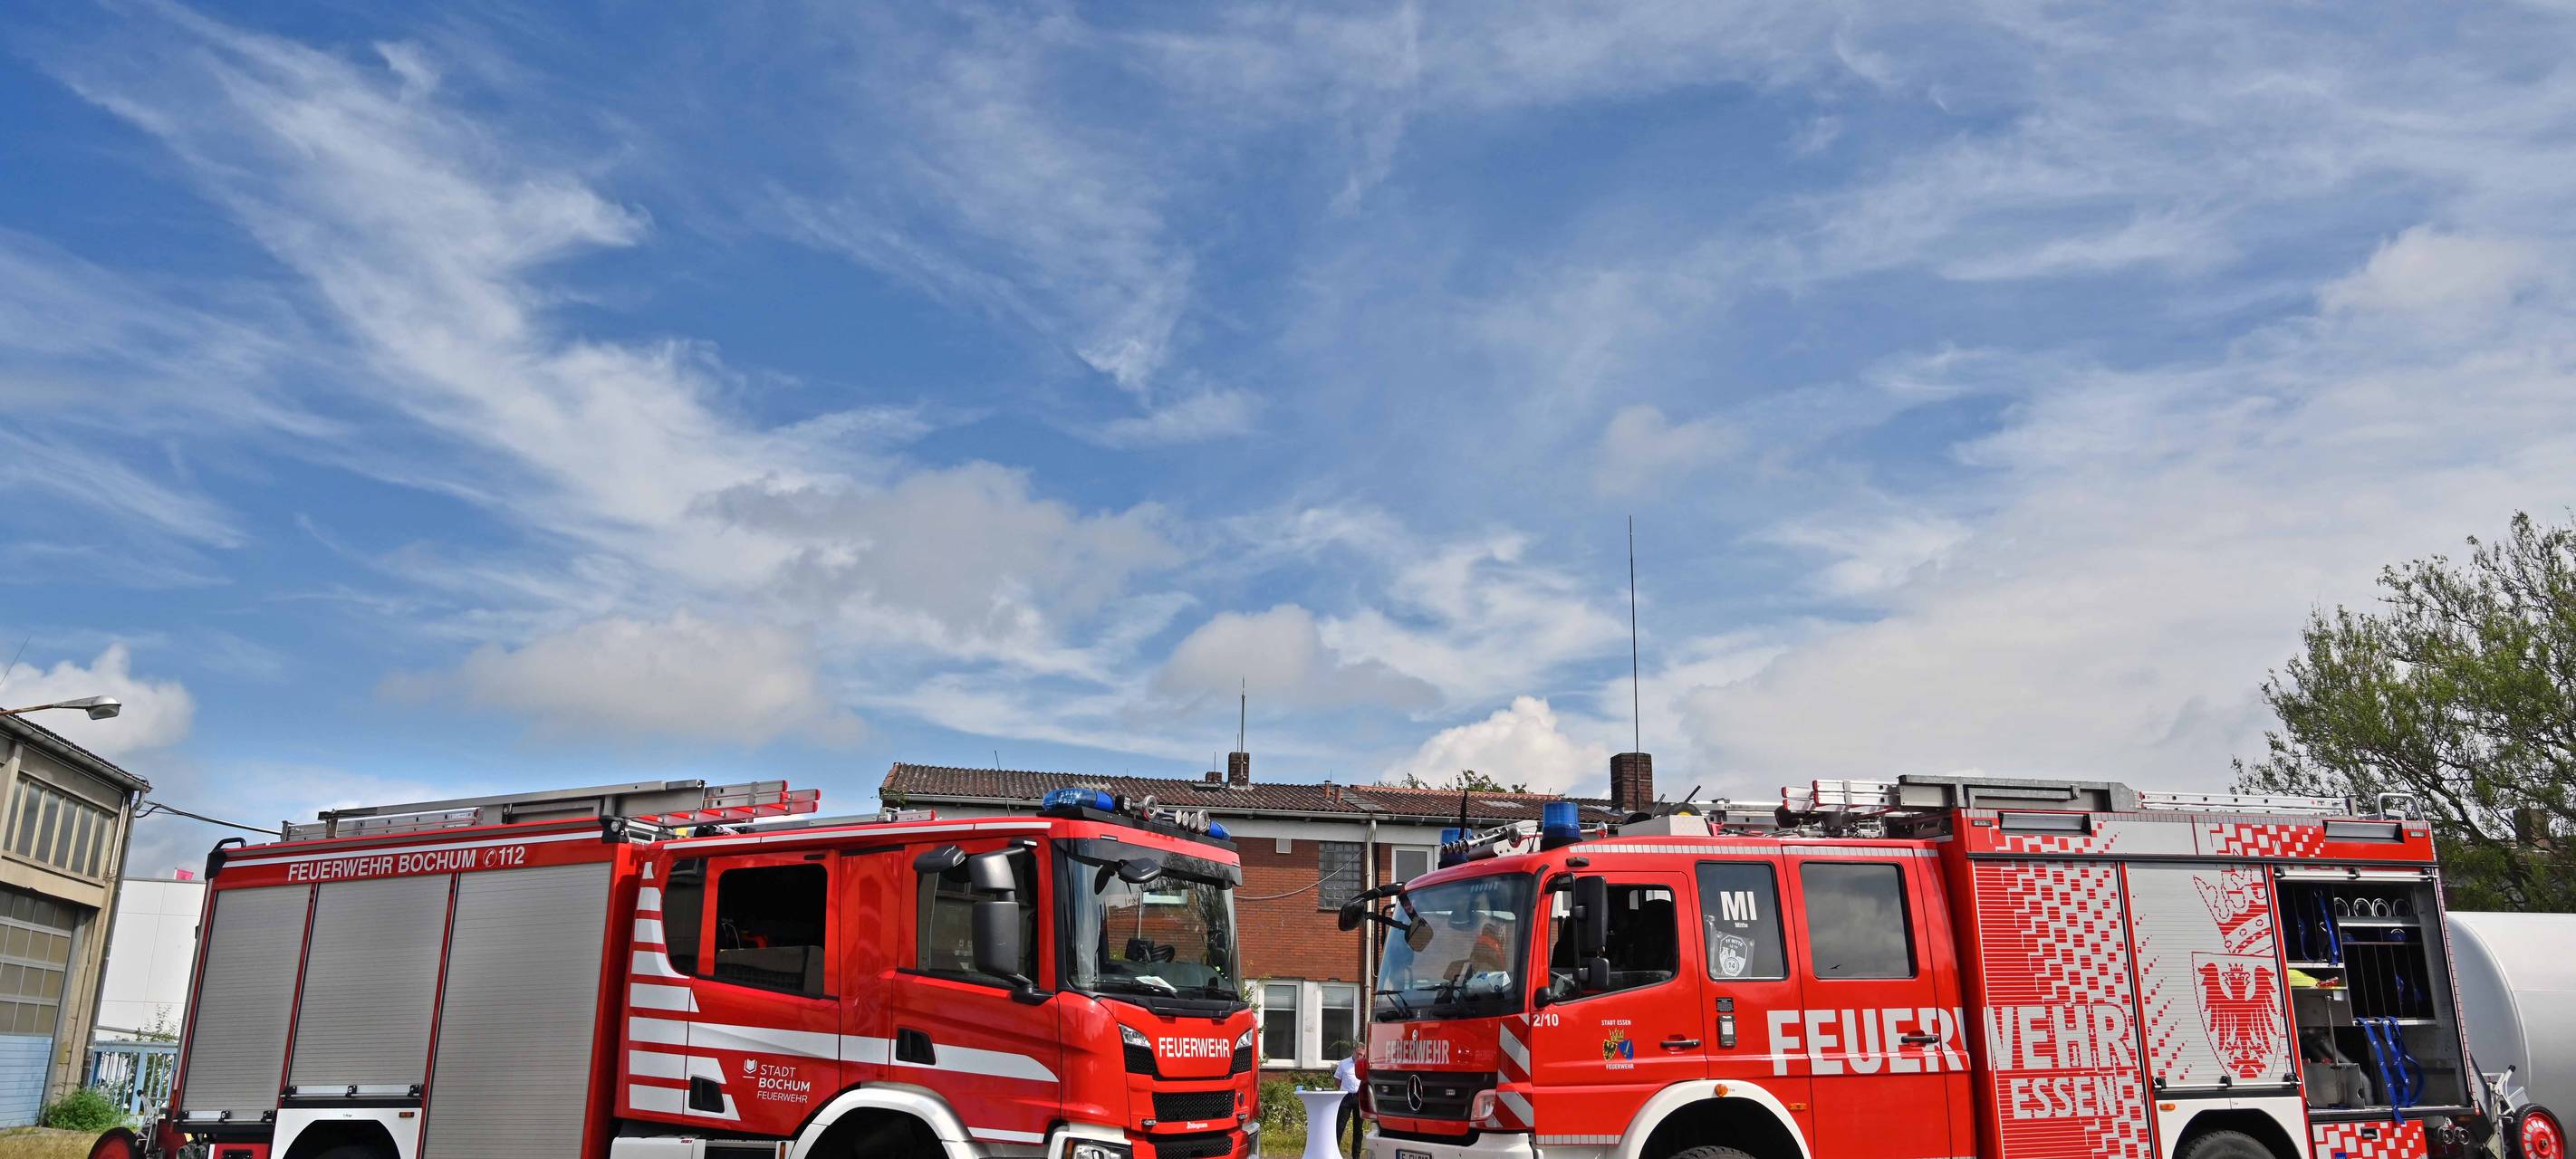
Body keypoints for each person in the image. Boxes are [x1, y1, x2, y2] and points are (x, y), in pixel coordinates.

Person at [1330, 1039, 1362, 1156]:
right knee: (1340, 1125)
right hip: (1346, 1097)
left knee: (1358, 1128)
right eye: (1359, 1054)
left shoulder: (1364, 1064)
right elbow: (1337, 1080)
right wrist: (1344, 1090)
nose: (1360, 1056)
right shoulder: (1344, 1063)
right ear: (1353, 1052)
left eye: (1363, 1055)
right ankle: (1334, 1152)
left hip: (1359, 1097)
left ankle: (1356, 1155)